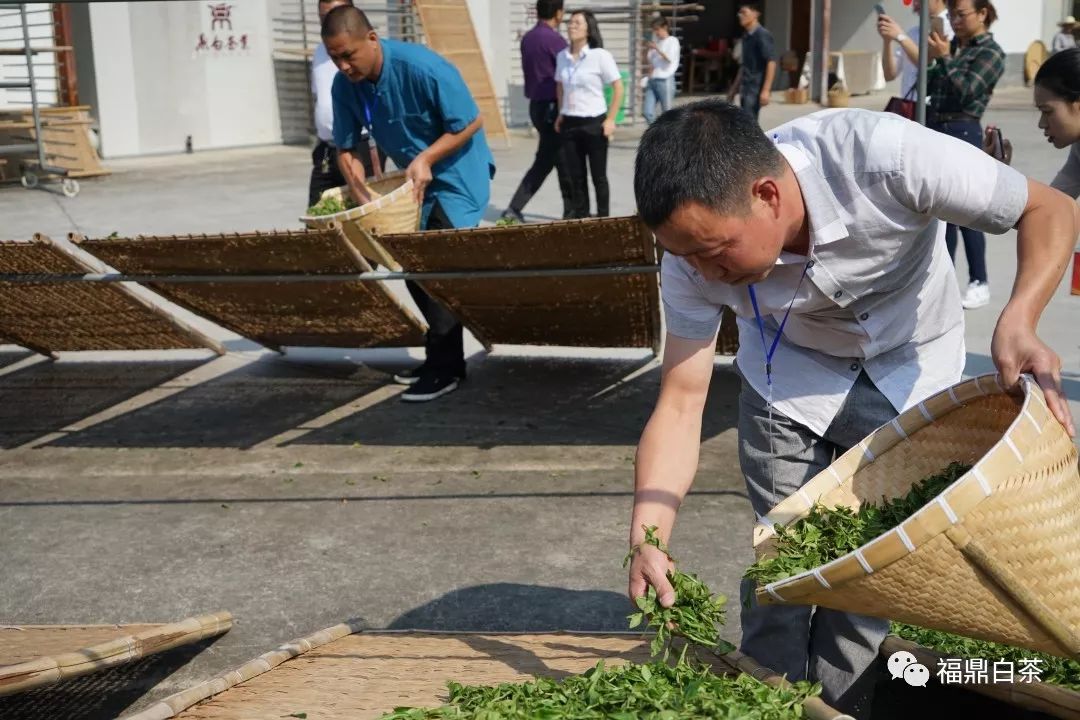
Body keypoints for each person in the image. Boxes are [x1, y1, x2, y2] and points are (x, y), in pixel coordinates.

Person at [627, 100, 1076, 719]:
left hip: (908, 365)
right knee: (783, 565)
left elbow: (1049, 207)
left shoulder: (883, 157)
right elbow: (680, 400)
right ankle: (770, 700)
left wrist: (1020, 316)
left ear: (767, 194)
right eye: (688, 257)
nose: (705, 271)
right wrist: (647, 537)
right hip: (788, 380)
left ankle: (848, 704)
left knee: (874, 576)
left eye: (715, 251)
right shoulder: (689, 258)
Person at [324, 6, 495, 402]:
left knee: (429, 266)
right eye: (335, 58)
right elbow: (346, 146)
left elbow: (470, 121)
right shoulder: (344, 85)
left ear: (371, 38)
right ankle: (437, 357)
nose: (344, 65)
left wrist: (425, 158)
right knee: (410, 267)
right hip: (412, 184)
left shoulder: (423, 68)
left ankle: (448, 367)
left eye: (348, 55)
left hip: (458, 175)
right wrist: (360, 191)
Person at [925, 0, 1005, 310]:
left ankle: (979, 280)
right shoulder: (954, 47)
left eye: (961, 14)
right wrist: (935, 61)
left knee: (968, 211)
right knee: (940, 214)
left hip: (963, 128)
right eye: (953, 15)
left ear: (982, 14)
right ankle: (942, 282)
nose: (955, 21)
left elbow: (967, 92)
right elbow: (930, 88)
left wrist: (946, 58)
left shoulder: (990, 52)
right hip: (935, 127)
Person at [308, 0, 386, 208]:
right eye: (322, 17)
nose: (328, 22)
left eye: (333, 14)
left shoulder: (364, 51)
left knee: (364, 211)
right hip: (328, 147)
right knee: (319, 212)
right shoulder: (319, 52)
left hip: (361, 144)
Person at [500, 0, 572, 223]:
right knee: (551, 161)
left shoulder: (528, 38)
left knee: (558, 159)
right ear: (558, 13)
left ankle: (570, 210)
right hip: (553, 107)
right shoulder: (556, 41)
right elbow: (567, 76)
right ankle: (514, 208)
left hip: (536, 107)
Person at [555, 10, 624, 218]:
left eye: (577, 23)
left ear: (588, 29)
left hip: (595, 123)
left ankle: (604, 220)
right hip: (570, 123)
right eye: (570, 22)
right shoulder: (562, 56)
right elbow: (559, 86)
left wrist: (611, 119)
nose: (571, 26)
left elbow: (618, 87)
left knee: (598, 177)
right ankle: (582, 219)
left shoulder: (599, 56)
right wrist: (560, 112)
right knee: (576, 177)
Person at [877, 0, 953, 101]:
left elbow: (928, 64)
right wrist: (887, 41)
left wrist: (900, 37)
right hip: (907, 107)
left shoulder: (951, 28)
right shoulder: (913, 32)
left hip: (931, 107)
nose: (915, 4)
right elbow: (889, 75)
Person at [728, 3, 776, 122]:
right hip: (745, 87)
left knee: (750, 125)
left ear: (756, 14)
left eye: (744, 12)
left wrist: (766, 90)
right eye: (739, 13)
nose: (740, 16)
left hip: (755, 88)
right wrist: (734, 89)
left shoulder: (762, 35)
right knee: (745, 124)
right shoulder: (746, 37)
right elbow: (743, 66)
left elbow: (771, 62)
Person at [643, 16, 680, 125]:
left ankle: (670, 138)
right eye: (654, 30)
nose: (656, 32)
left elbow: (669, 59)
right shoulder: (657, 42)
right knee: (647, 112)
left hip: (665, 80)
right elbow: (650, 61)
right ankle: (658, 133)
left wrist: (657, 49)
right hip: (653, 80)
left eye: (657, 29)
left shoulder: (672, 41)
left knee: (667, 113)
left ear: (665, 27)